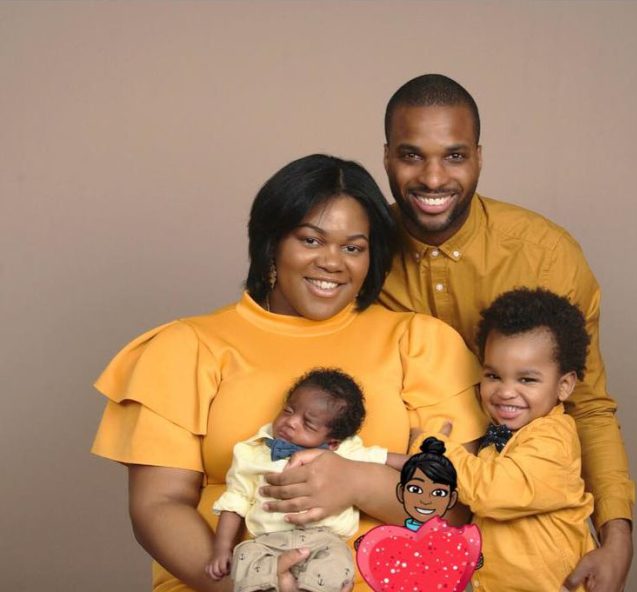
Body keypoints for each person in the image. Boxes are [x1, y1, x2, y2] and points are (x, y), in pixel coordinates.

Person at [91, 153, 483, 592]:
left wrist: (359, 482)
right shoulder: (186, 347)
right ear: (271, 244)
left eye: (353, 247)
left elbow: (455, 510)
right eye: (311, 240)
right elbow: (160, 504)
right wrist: (251, 585)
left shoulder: (420, 343)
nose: (332, 262)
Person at [378, 74, 635, 592]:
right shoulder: (358, 251)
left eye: (454, 156)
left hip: (529, 539)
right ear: (386, 158)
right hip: (403, 520)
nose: (433, 177)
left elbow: (588, 406)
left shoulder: (546, 255)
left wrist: (617, 539)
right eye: (411, 156)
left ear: (478, 157)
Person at [414, 288, 596, 591]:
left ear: (564, 385)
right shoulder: (502, 432)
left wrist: (436, 451)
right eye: (493, 376)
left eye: (527, 379)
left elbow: (490, 492)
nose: (506, 392)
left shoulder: (553, 441)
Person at [206, 368, 396, 592]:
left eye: (308, 424)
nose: (291, 422)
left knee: (336, 563)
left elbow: (384, 458)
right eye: (288, 411)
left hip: (324, 541)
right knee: (245, 556)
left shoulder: (344, 452)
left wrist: (423, 458)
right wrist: (222, 548)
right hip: (266, 541)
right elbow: (236, 499)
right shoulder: (251, 452)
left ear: (332, 442)